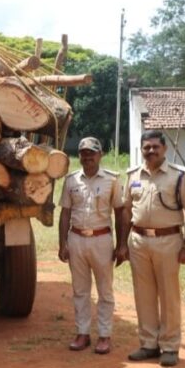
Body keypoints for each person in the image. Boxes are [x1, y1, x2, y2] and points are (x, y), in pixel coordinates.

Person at [115, 130, 185, 367]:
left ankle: (170, 346)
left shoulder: (179, 176)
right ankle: (148, 344)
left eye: (155, 147)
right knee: (144, 295)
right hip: (139, 241)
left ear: (165, 149)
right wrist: (122, 243)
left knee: (169, 295)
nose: (150, 151)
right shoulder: (133, 175)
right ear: (141, 150)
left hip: (168, 241)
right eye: (146, 147)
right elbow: (126, 211)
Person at [58, 137, 124, 355]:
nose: (87, 157)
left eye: (92, 153)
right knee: (80, 290)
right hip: (76, 239)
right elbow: (65, 212)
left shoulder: (112, 180)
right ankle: (82, 333)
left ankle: (104, 336)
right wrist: (62, 243)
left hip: (102, 240)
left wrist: (122, 245)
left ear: (100, 154)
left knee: (105, 291)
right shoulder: (71, 181)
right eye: (83, 153)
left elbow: (120, 212)